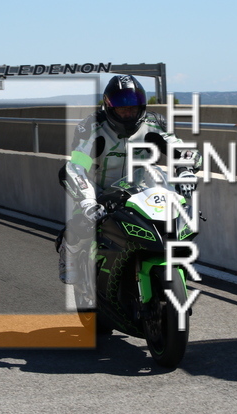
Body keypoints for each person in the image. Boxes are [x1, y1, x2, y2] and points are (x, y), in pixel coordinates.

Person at [56, 74, 203, 285]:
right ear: (109, 107)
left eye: (133, 108)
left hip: (143, 192)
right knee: (82, 224)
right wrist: (88, 201)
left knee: (176, 221)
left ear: (141, 106)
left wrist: (186, 170)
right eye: (122, 108)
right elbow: (76, 166)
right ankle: (68, 253)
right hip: (101, 193)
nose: (128, 112)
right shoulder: (92, 126)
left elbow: (182, 150)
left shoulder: (155, 123)